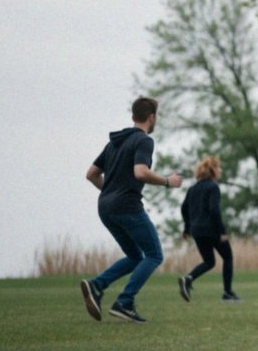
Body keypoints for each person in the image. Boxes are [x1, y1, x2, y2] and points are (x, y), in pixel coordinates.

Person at [80, 96, 183, 323]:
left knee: (136, 256)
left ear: (133, 116)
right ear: (151, 117)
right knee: (154, 255)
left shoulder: (114, 142)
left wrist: (111, 192)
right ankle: (124, 302)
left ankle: (97, 285)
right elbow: (140, 172)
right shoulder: (144, 141)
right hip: (127, 206)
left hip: (105, 208)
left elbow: (91, 174)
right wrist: (168, 181)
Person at [178, 156, 239, 302]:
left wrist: (187, 228)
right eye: (218, 168)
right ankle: (227, 293)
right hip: (211, 230)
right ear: (213, 171)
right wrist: (222, 231)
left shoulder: (192, 189)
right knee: (228, 257)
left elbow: (184, 208)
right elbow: (214, 210)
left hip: (197, 231)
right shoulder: (213, 187)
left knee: (209, 262)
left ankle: (188, 279)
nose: (220, 170)